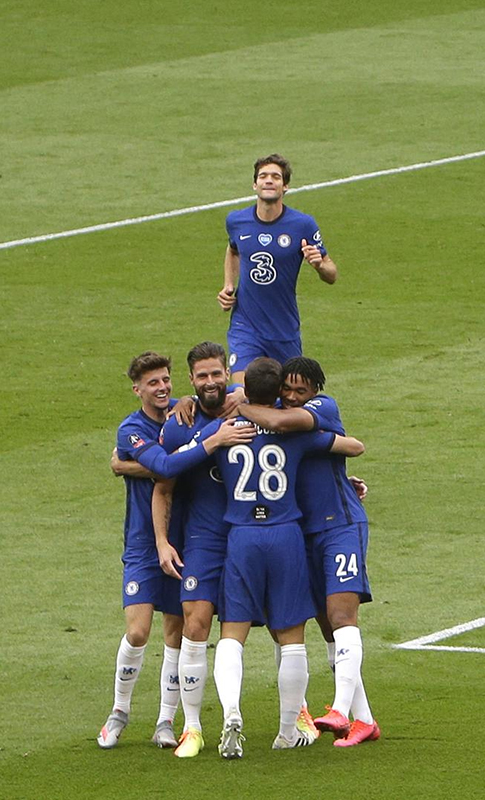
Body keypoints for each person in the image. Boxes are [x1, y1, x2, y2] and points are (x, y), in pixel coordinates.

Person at [207, 358, 365, 758]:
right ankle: (287, 731)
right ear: (278, 391)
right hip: (286, 536)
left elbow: (179, 462)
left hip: (241, 536)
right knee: (293, 638)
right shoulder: (296, 435)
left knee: (232, 634)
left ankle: (230, 713)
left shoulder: (222, 430)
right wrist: (345, 475)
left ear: (246, 390)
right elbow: (350, 446)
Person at [98, 351, 251, 749]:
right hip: (143, 541)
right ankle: (119, 711)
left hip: (183, 538)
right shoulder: (131, 430)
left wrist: (127, 467)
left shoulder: (185, 415)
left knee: (175, 632)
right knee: (137, 631)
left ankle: (166, 720)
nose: (163, 388)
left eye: (166, 380)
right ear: (137, 390)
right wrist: (211, 441)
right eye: (153, 383)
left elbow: (227, 393)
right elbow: (165, 467)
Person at [217, 153, 339, 383]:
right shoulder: (236, 221)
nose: (269, 180)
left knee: (288, 395)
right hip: (245, 326)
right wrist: (228, 285)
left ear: (285, 186)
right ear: (255, 184)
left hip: (283, 330)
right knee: (243, 393)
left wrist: (319, 265)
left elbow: (332, 274)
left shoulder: (302, 225)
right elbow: (233, 250)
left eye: (276, 177)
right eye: (263, 176)